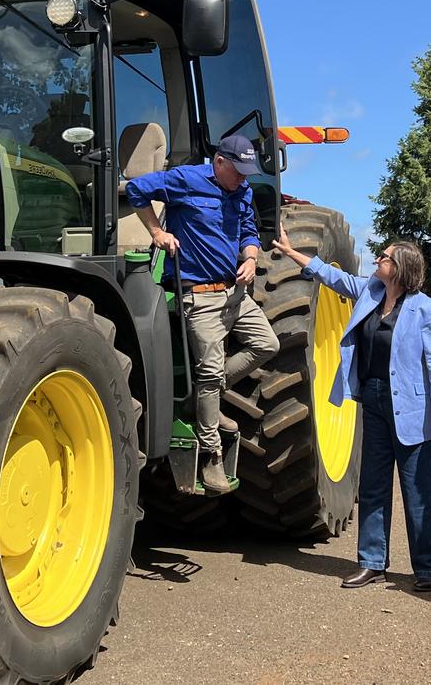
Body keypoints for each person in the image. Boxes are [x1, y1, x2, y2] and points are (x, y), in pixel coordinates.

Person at [272, 228, 431, 591]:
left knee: (418, 490)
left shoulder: (424, 309)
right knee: (374, 486)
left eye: (385, 257)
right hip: (372, 401)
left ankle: (427, 568)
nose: (378, 259)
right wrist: (292, 252)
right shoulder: (371, 293)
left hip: (411, 407)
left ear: (402, 267)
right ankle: (372, 562)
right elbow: (333, 276)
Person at [125, 134, 280, 494]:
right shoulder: (186, 179)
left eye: (247, 173)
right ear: (220, 162)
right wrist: (157, 231)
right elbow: (136, 189)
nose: (243, 179)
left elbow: (248, 231)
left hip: (235, 293)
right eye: (238, 171)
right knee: (209, 372)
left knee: (266, 344)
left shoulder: (241, 192)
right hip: (199, 295)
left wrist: (252, 258)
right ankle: (210, 453)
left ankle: (201, 401)